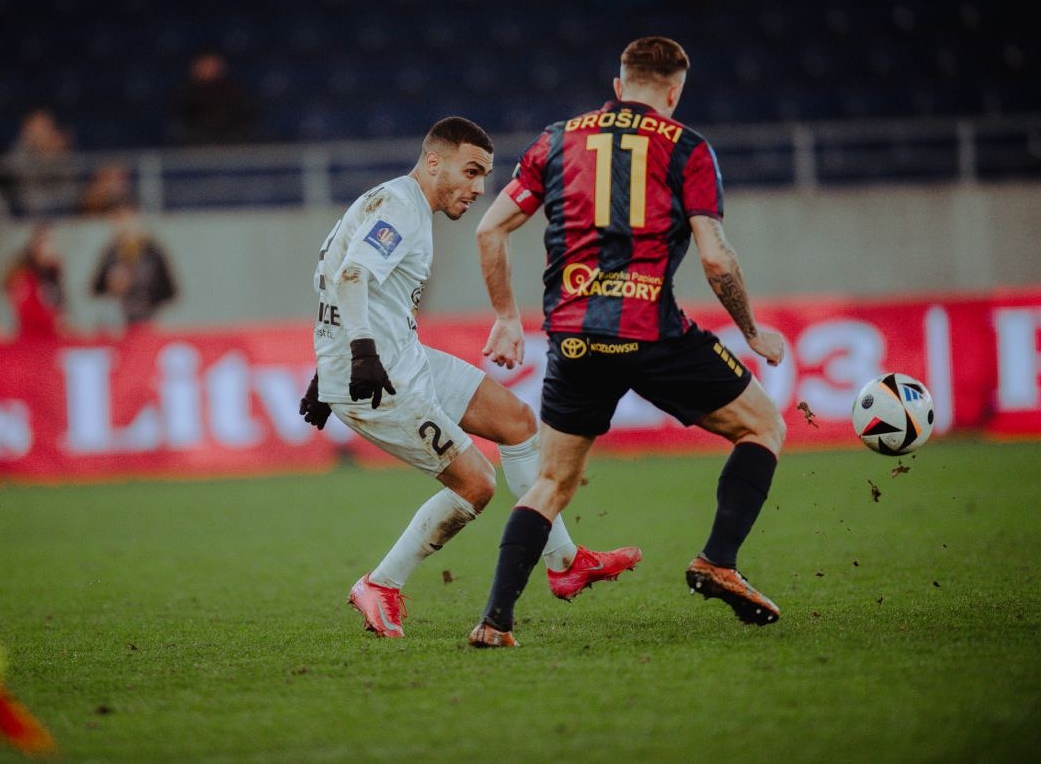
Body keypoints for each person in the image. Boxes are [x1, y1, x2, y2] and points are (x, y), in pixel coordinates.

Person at [468, 37, 787, 647]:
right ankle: (717, 560)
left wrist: (507, 317)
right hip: (651, 331)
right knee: (763, 427)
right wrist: (751, 330)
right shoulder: (688, 148)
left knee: (551, 484)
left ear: (618, 87)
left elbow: (489, 230)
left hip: (573, 336)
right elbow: (716, 258)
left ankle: (494, 621)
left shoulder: (555, 140)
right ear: (674, 93)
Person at [298, 116, 640, 640]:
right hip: (382, 375)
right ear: (434, 162)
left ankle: (565, 562)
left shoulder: (390, 201)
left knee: (517, 422)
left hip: (399, 356)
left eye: (485, 176)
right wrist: (357, 355)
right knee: (477, 485)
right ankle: (380, 584)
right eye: (472, 171)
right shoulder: (401, 207)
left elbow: (337, 278)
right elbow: (351, 275)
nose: (480, 188)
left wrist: (329, 366)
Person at [90, 201, 178, 325]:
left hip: (147, 320)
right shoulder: (111, 252)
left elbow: (169, 290)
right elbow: (95, 289)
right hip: (117, 321)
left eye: (127, 219)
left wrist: (147, 298)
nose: (123, 226)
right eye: (118, 220)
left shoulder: (152, 251)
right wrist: (111, 286)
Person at [4, 223, 66, 339]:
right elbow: (28, 313)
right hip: (31, 340)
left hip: (51, 339)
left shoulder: (52, 273)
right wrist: (53, 322)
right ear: (36, 248)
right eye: (48, 244)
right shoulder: (23, 276)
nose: (53, 249)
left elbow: (58, 306)